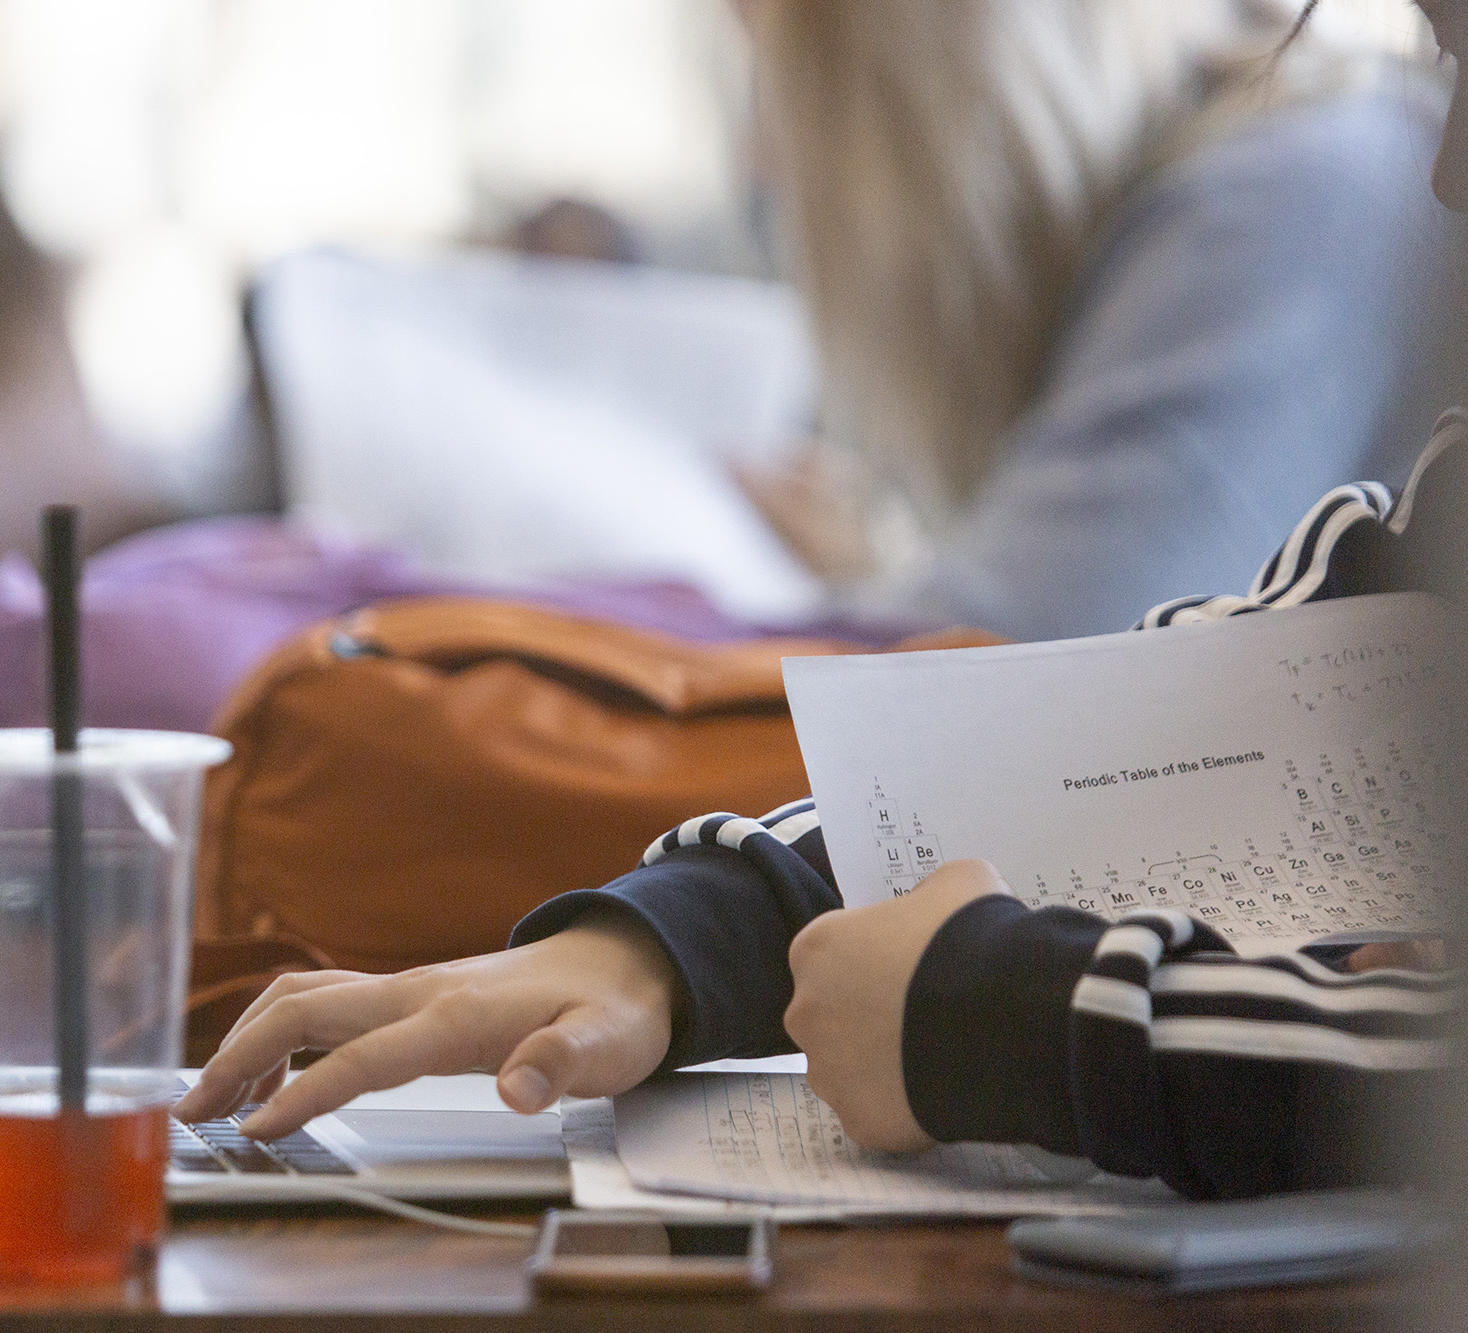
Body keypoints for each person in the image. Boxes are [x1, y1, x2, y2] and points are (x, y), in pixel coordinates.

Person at [175, 0, 1467, 1201]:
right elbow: (1169, 725)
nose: (1444, 171)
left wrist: (1004, 1017)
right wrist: (670, 945)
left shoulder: (1306, 184)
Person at [724, 0, 1464, 641]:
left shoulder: (1303, 192)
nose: (763, 162)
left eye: (784, 87)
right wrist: (881, 571)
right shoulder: (1224, 185)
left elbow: (1026, 667)